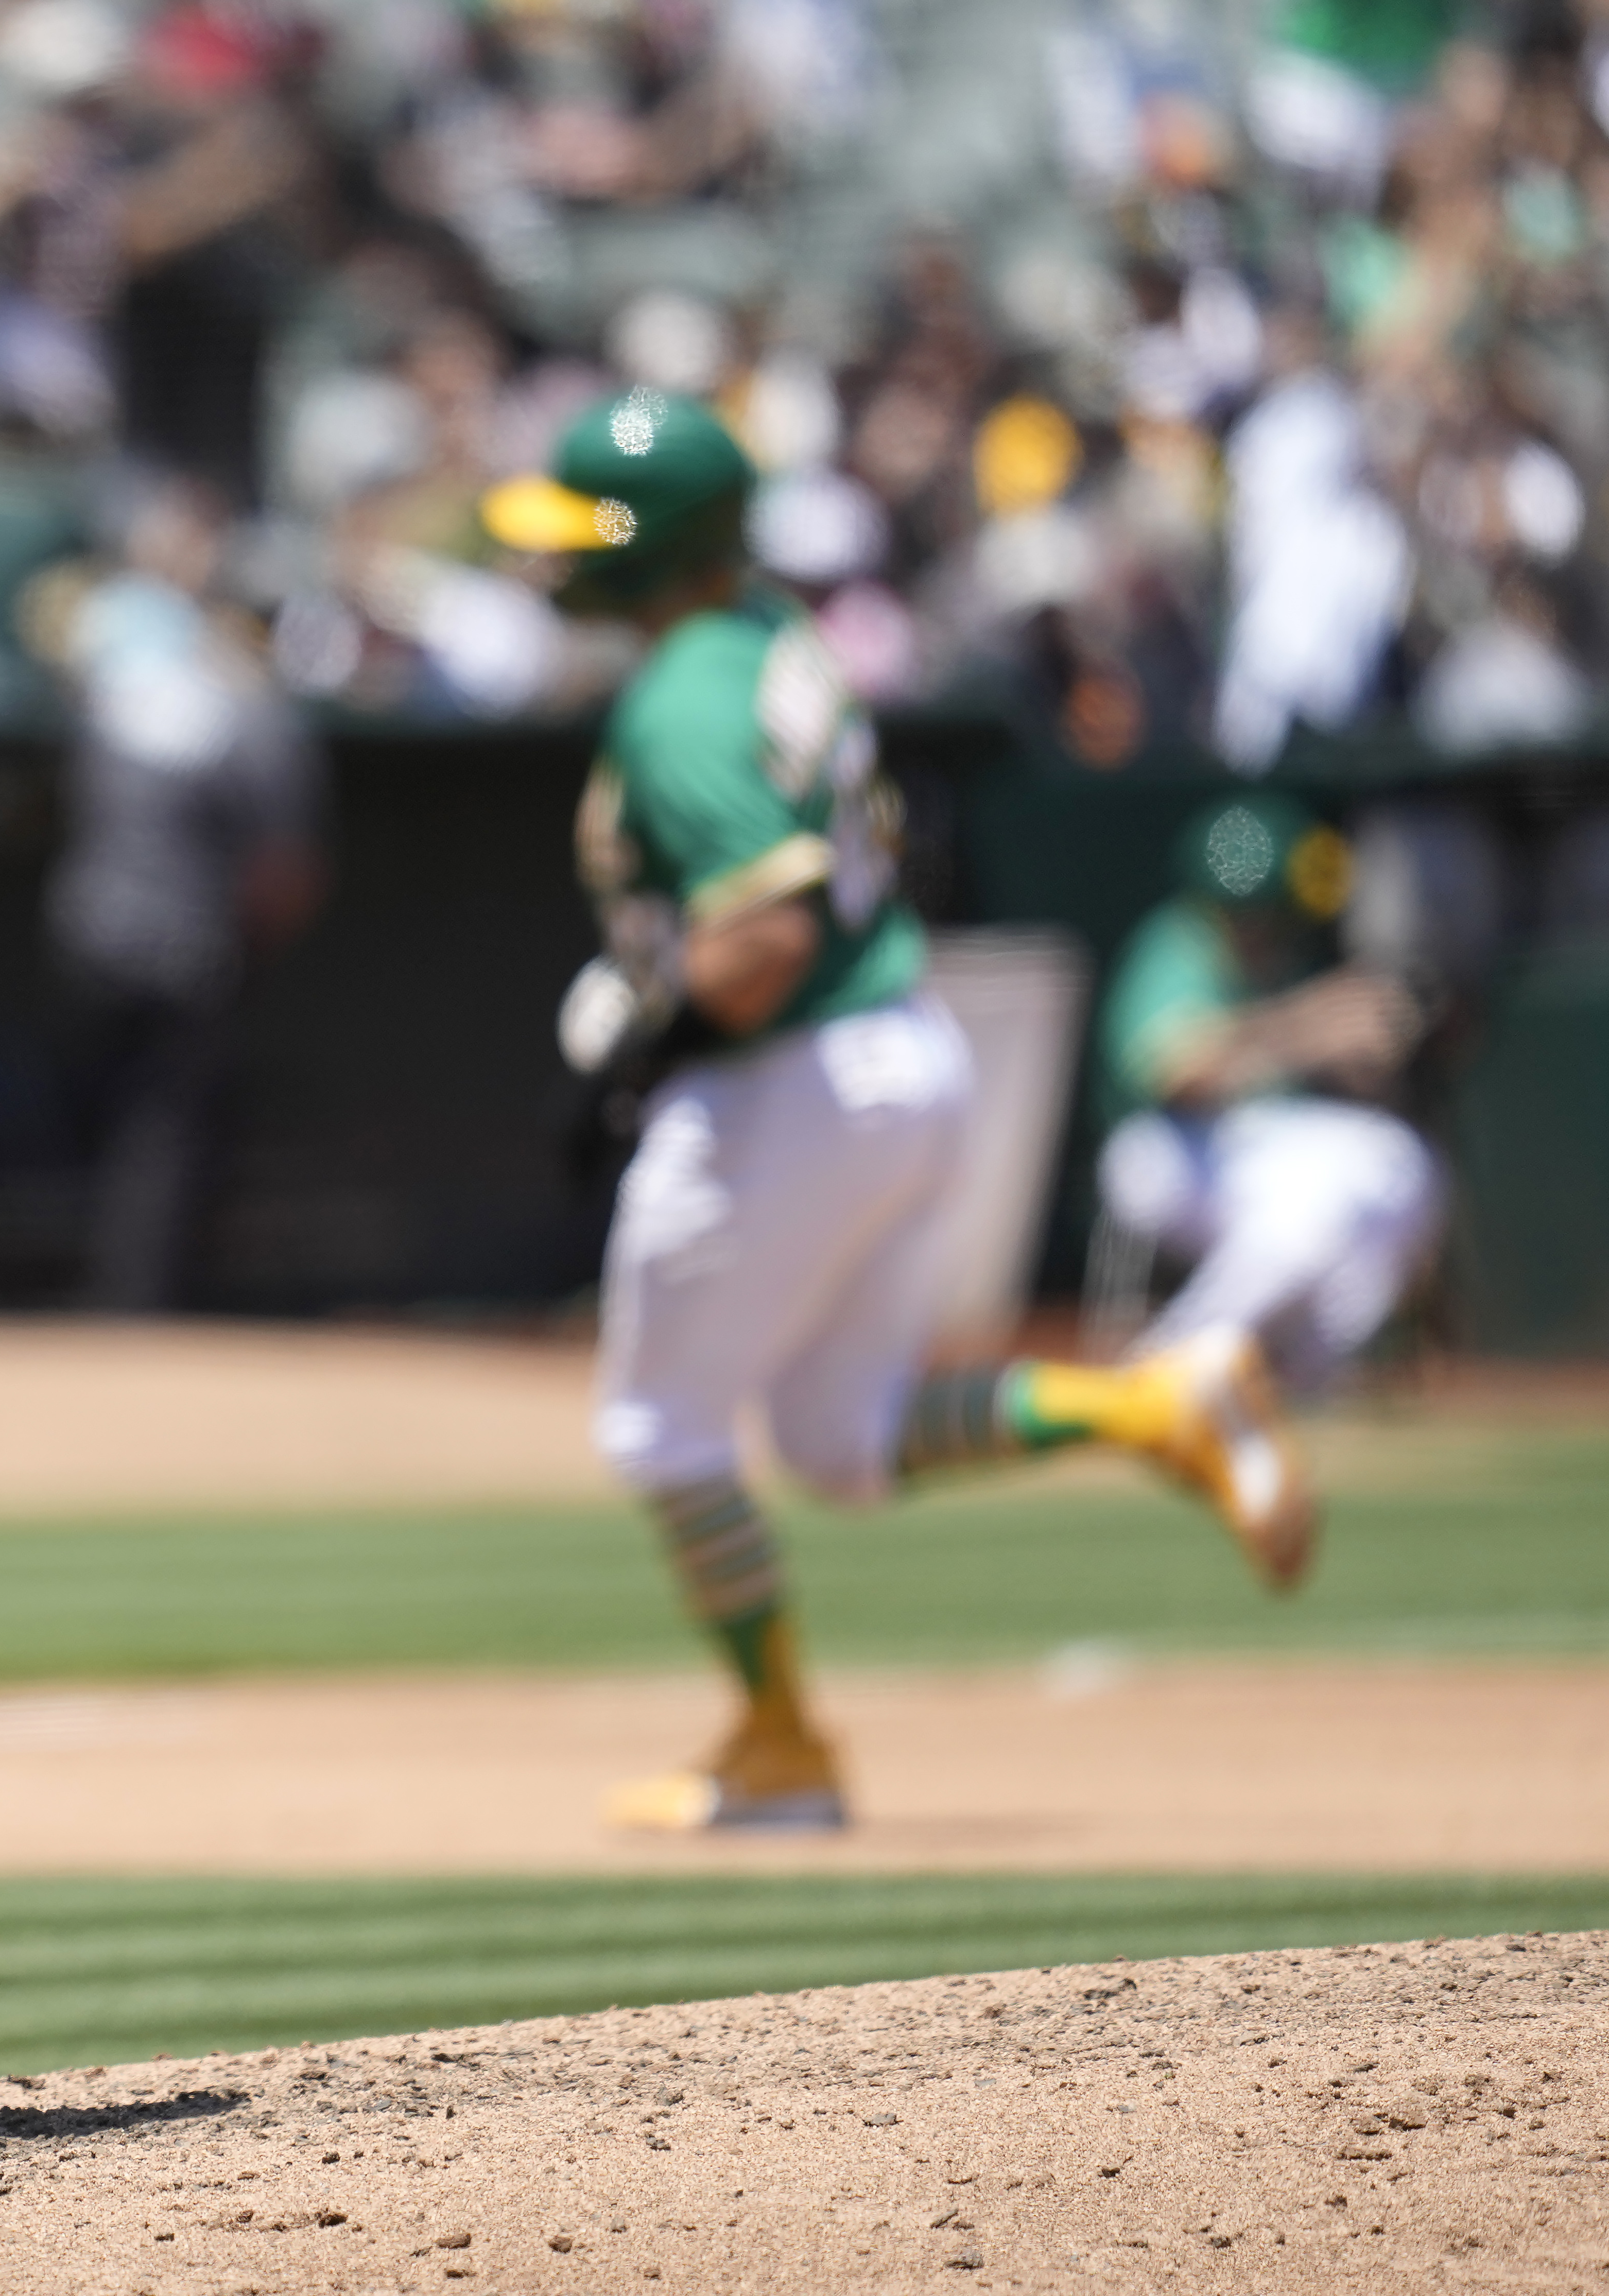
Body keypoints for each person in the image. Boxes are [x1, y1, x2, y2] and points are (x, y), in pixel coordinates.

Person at [486, 388, 1320, 1836]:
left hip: (788, 1076)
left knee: (659, 1426)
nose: (553, 559)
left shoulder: (682, 689)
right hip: (902, 1058)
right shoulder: (770, 639)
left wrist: (640, 1046)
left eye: (585, 533)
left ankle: (781, 1740)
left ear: (652, 544)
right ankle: (1156, 1401)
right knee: (836, 1438)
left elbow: (767, 937)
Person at [43, 477, 324, 1309]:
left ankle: (117, 1292)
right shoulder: (236, 700)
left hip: (90, 930)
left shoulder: (111, 686)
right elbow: (286, 868)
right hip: (179, 942)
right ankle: (136, 1301)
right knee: (161, 1128)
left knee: (119, 1116)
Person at [1093, 794, 1437, 1394]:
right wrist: (1306, 1027)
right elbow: (1179, 1076)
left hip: (1254, 1145)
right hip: (1160, 1150)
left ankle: (1308, 1370)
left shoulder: (1285, 953)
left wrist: (1362, 1048)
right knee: (1301, 1224)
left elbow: (1328, 1066)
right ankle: (1164, 1370)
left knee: (1400, 1168)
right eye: (1264, 913)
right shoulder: (1178, 944)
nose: (1273, 928)